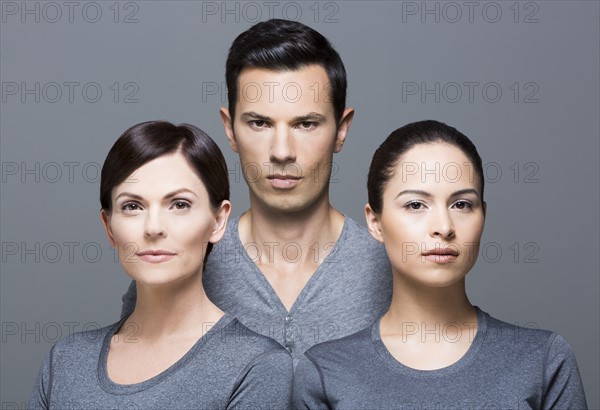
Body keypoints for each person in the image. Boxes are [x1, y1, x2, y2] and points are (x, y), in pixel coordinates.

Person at [121, 19, 392, 365]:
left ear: (341, 130)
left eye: (305, 124)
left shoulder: (394, 267)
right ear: (229, 128)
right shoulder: (177, 264)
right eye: (259, 123)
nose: (281, 151)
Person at [292, 120, 588, 409]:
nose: (443, 227)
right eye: (416, 205)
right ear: (375, 221)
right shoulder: (325, 372)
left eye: (462, 204)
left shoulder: (543, 359)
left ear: (483, 215)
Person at [29, 121, 293, 409]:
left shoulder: (255, 367)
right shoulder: (66, 361)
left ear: (218, 221)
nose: (154, 228)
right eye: (132, 206)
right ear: (109, 227)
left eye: (179, 204)